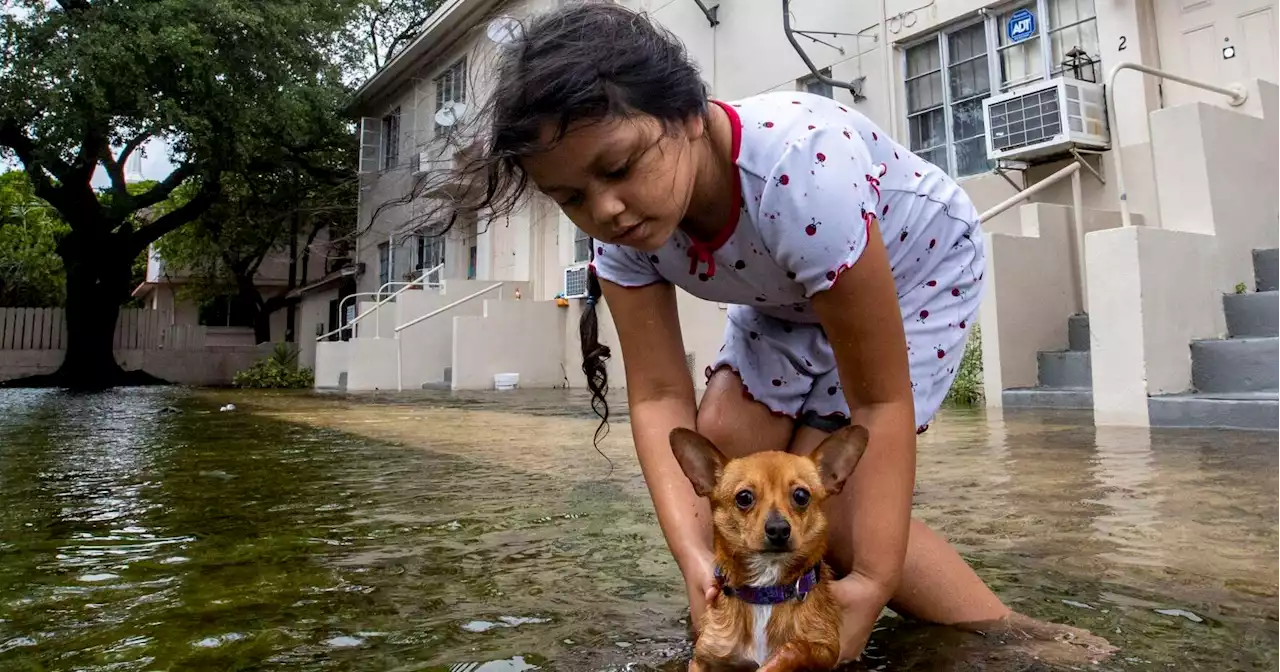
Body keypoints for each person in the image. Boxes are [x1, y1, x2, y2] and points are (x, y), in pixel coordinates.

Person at [461, 2, 1113, 664]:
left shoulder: (799, 171)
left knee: (842, 519)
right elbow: (659, 394)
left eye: (619, 167)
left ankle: (1016, 639)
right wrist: (696, 562)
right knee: (728, 469)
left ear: (688, 114)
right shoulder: (621, 234)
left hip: (917, 270)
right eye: (571, 197)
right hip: (785, 301)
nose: (603, 209)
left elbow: (879, 402)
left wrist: (874, 581)